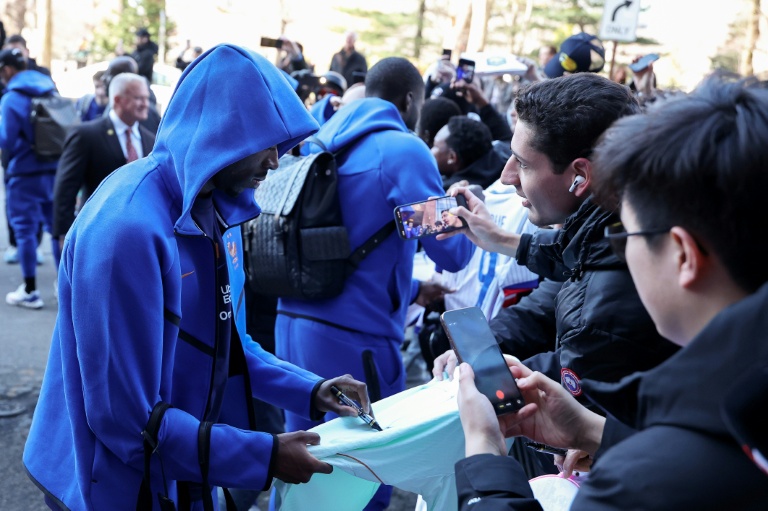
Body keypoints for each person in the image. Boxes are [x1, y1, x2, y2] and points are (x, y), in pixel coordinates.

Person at [22, 44, 374, 511]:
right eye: (266, 142)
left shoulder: (214, 215)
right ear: (221, 136)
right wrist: (264, 456)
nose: (275, 161)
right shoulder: (127, 230)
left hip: (175, 471)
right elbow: (127, 422)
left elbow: (229, 346)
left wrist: (310, 387)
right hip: (108, 486)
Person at [454, 76, 768, 510]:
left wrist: (484, 447)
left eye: (626, 234)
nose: (619, 250)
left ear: (683, 255)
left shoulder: (641, 481)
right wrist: (593, 431)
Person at [434, 73, 679, 467]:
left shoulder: (602, 310)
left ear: (580, 175)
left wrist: (487, 399)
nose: (506, 175)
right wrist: (484, 346)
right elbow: (558, 283)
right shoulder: (604, 229)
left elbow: (573, 371)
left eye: (524, 163)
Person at [275, 57, 473, 510]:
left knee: (301, 466)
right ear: (409, 101)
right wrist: (465, 211)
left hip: (291, 325)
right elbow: (449, 250)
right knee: (366, 475)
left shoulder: (319, 142)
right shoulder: (403, 151)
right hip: (355, 339)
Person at [53, 73, 155, 243]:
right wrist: (64, 233)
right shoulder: (87, 135)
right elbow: (66, 187)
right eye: (138, 98)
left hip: (140, 235)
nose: (145, 104)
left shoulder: (151, 140)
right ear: (117, 100)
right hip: (97, 233)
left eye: (146, 98)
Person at [0, 47, 59, 309]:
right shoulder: (49, 87)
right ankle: (63, 286)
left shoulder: (12, 98)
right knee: (58, 229)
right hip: (55, 169)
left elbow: (6, 140)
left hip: (24, 173)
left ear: (8, 70)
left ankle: (31, 291)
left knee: (24, 231)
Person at [432, 116, 508, 190]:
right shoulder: (507, 162)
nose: (430, 151)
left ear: (452, 157)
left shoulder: (452, 193)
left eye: (435, 146)